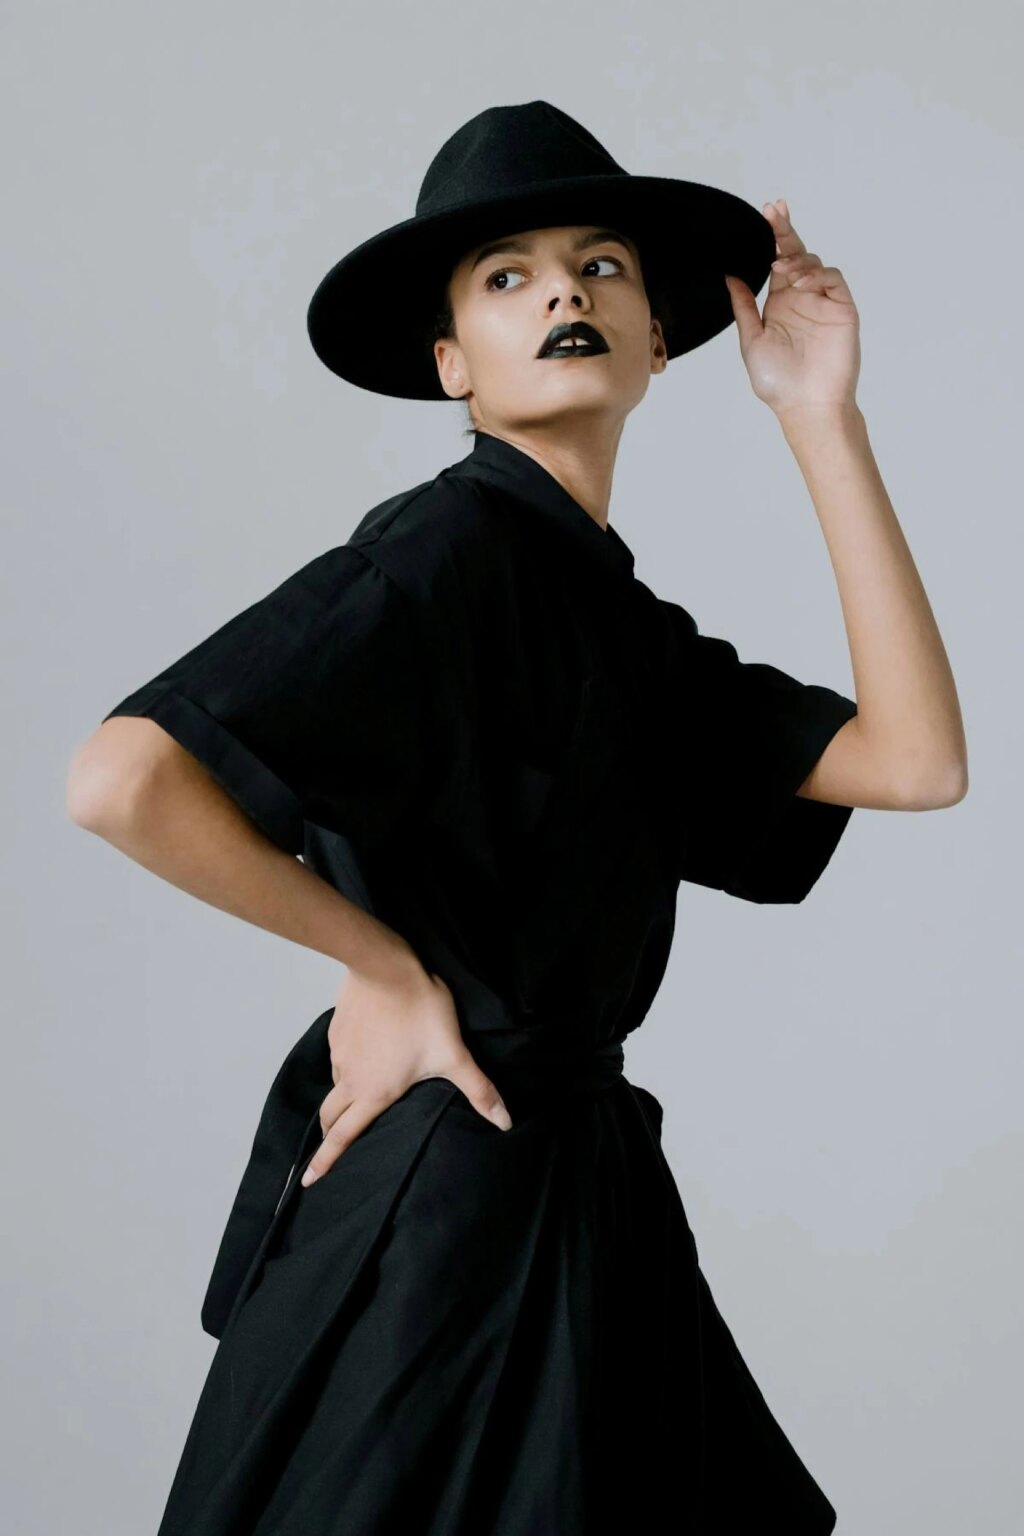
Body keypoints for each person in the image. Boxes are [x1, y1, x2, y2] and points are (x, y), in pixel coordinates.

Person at [68, 101, 967, 1534]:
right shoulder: (442, 551)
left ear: (659, 338)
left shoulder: (614, 616)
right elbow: (124, 776)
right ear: (452, 364)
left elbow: (916, 761)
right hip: (453, 1211)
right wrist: (381, 966)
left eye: (601, 266)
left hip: (574, 1195)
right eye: (509, 277)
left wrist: (819, 416)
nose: (563, 294)